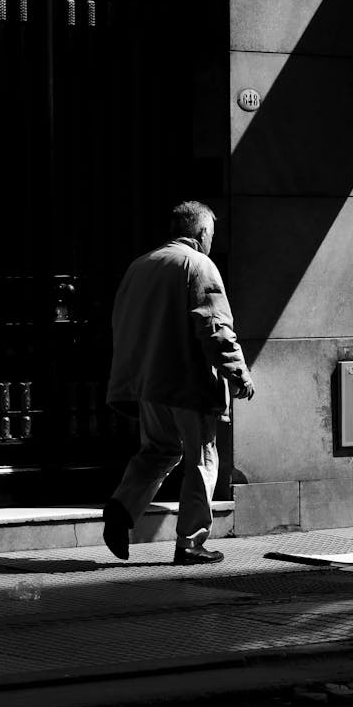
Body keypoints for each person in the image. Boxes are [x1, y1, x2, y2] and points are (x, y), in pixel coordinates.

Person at [103, 200, 255, 566]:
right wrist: (239, 372)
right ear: (201, 232)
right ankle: (191, 542)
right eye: (211, 235)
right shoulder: (198, 265)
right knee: (201, 459)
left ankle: (121, 509)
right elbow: (214, 327)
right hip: (189, 383)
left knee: (158, 450)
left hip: (149, 383)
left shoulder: (141, 265)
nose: (212, 242)